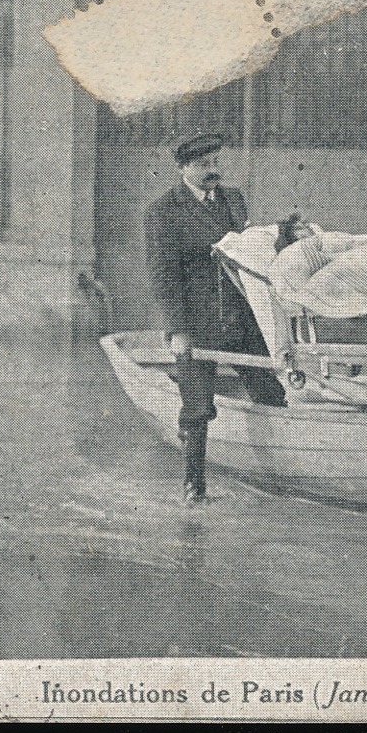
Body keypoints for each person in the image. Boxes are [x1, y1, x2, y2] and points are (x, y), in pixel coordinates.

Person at [143, 132, 287, 504]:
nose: (213, 171)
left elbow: (251, 248)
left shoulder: (233, 200)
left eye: (215, 163)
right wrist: (177, 331)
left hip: (242, 318)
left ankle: (279, 474)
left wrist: (285, 234)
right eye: (204, 165)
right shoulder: (163, 213)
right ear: (183, 168)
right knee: (197, 408)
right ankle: (194, 488)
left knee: (271, 393)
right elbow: (164, 277)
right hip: (198, 325)